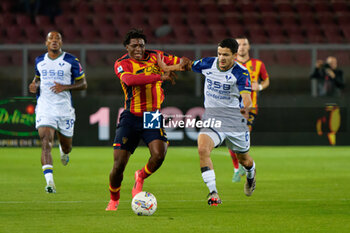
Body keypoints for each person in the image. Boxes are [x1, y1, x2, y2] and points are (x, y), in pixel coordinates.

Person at [159, 38, 256, 205]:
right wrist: (167, 68)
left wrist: (245, 108)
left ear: (234, 55)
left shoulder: (241, 72)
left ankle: (251, 175)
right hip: (212, 117)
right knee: (203, 149)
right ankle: (213, 193)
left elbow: (247, 99)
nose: (222, 58)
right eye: (219, 54)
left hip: (234, 120)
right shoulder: (209, 63)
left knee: (244, 160)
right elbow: (187, 65)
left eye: (226, 55)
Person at [106, 28, 189, 211]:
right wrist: (160, 75)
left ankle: (140, 176)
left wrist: (183, 63)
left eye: (142, 45)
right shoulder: (122, 63)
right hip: (131, 116)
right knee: (119, 165)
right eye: (134, 45)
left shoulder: (156, 56)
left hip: (152, 115)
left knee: (159, 154)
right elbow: (130, 80)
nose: (139, 49)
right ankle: (114, 199)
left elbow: (181, 63)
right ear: (127, 47)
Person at [28, 31, 88, 193]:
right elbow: (37, 78)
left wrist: (65, 87)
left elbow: (83, 84)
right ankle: (50, 182)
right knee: (46, 141)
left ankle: (64, 151)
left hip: (64, 109)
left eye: (57, 39)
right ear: (46, 43)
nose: (54, 41)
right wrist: (34, 85)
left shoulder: (71, 60)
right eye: (51, 39)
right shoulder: (39, 60)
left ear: (61, 43)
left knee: (67, 147)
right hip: (45, 107)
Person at [229, 36, 270, 183]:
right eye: (239, 44)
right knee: (231, 139)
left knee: (240, 136)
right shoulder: (230, 64)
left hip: (249, 107)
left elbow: (266, 80)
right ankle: (237, 168)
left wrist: (258, 87)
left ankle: (243, 166)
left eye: (244, 44)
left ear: (249, 46)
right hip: (232, 106)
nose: (242, 47)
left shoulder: (258, 64)